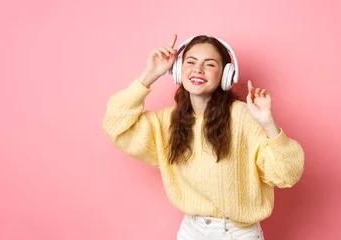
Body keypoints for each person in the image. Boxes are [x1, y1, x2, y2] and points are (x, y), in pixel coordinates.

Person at [102, 34, 305, 240]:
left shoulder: (245, 116)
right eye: (190, 62)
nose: (198, 69)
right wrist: (149, 75)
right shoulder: (168, 122)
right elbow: (115, 125)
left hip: (238, 234)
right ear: (179, 69)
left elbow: (287, 175)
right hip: (191, 231)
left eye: (209, 64)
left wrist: (267, 123)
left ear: (226, 75)